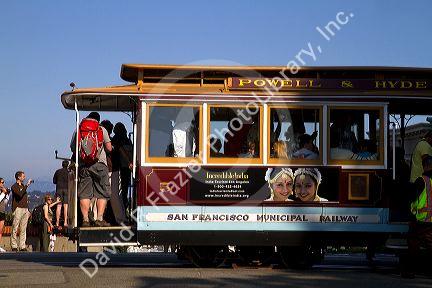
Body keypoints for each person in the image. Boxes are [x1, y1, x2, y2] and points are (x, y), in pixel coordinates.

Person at [71, 112, 112, 227]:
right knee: (102, 193)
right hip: (100, 164)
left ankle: (85, 220)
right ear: (98, 120)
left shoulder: (79, 129)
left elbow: (73, 148)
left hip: (84, 165)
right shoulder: (101, 129)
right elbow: (109, 148)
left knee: (84, 194)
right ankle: (99, 218)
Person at [401, 155, 432, 278]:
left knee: (413, 245)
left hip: (420, 220)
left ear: (424, 166)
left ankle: (410, 271)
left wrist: (411, 215)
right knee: (430, 246)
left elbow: (412, 199)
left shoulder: (421, 180)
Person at [10, 171, 32, 251]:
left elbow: (24, 198)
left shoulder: (22, 186)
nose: (24, 177)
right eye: (23, 176)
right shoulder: (14, 186)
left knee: (23, 228)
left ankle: (22, 245)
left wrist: (28, 210)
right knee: (15, 227)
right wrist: (27, 185)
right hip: (18, 209)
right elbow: (20, 194)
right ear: (18, 177)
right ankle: (14, 245)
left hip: (25, 209)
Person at [53, 160, 70, 227]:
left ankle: (57, 222)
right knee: (66, 206)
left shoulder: (58, 171)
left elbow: (54, 181)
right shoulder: (69, 172)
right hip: (67, 189)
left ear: (62, 164)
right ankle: (65, 222)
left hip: (59, 189)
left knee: (59, 206)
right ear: (68, 165)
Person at [0, 178, 11, 252]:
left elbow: (5, 202)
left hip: (2, 212)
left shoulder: (2, 191)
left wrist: (7, 194)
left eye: (3, 182)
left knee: (0, 230)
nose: (2, 184)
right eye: (1, 182)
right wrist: (3, 193)